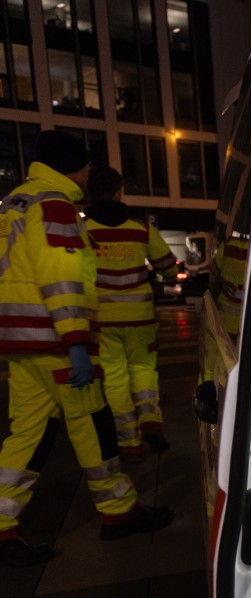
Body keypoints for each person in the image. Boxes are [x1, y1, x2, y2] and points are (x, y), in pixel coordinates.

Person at [0, 130, 172, 567]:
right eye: (87, 164)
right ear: (75, 166)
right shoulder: (54, 204)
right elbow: (62, 275)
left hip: (21, 340)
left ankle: (2, 523)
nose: (88, 172)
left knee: (28, 432)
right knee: (91, 424)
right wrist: (76, 340)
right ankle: (118, 510)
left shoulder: (14, 202)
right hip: (56, 340)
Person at [84, 166, 179, 462]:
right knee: (142, 368)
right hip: (139, 316)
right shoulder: (140, 228)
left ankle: (128, 442)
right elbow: (170, 268)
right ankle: (150, 419)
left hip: (101, 318)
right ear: (119, 191)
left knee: (113, 376)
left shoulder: (81, 230)